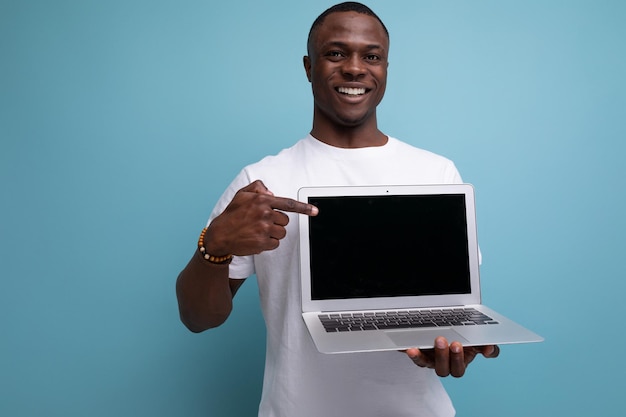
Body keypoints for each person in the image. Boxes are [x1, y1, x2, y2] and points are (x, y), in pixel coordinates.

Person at [176, 2, 499, 416]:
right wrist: (214, 245)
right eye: (335, 53)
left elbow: (454, 310)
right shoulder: (260, 182)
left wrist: (453, 346)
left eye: (372, 56)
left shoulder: (435, 171)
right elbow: (198, 318)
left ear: (385, 68)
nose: (354, 68)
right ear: (309, 67)